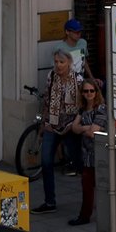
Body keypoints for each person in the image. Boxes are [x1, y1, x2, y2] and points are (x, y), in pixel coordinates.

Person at [36, 51, 82, 212]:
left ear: (69, 62)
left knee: (78, 163)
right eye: (56, 62)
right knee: (46, 162)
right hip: (52, 125)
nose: (58, 65)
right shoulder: (51, 76)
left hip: (70, 126)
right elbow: (47, 101)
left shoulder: (78, 79)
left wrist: (76, 123)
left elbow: (83, 105)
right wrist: (43, 123)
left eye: (61, 62)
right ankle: (50, 202)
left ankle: (91, 198)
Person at [63, 78, 108, 226]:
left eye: (91, 91)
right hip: (88, 154)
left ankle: (106, 215)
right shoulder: (82, 109)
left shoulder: (101, 108)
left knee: (103, 186)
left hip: (102, 153)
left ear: (96, 92)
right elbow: (74, 129)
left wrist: (83, 127)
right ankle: (85, 215)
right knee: (87, 185)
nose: (89, 94)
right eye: (85, 91)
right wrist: (86, 127)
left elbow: (92, 133)